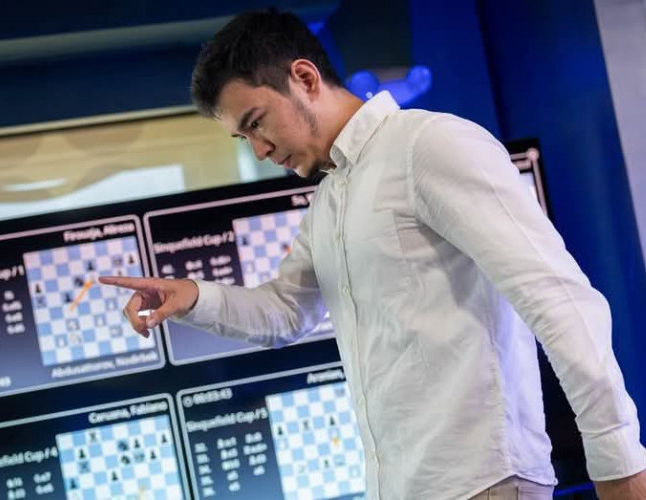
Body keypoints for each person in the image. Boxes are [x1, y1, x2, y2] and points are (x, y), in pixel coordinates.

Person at [100, 9, 646, 500]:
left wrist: (618, 460)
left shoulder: (429, 145)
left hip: (485, 483)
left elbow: (556, 296)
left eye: (257, 122)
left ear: (305, 78)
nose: (260, 150)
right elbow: (286, 311)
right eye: (244, 140)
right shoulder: (330, 201)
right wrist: (192, 297)